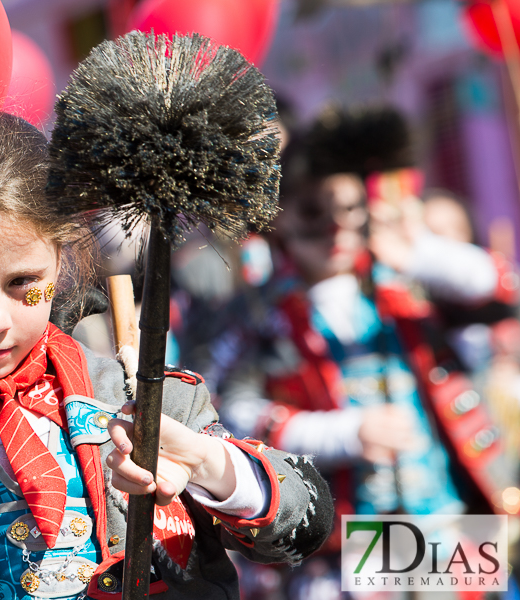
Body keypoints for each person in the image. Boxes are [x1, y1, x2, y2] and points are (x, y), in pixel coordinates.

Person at [0, 109, 331, 600]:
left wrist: (210, 464)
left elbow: (302, 528)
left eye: (23, 283)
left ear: (62, 259)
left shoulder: (147, 399)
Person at [211, 109, 515, 599]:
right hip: (348, 539)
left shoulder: (408, 288)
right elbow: (232, 415)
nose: (336, 229)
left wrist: (417, 249)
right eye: (314, 212)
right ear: (281, 219)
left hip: (449, 517)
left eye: (350, 211)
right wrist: (345, 434)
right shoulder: (262, 315)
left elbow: (501, 290)